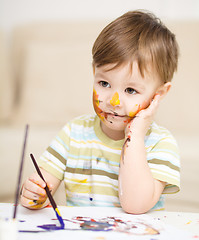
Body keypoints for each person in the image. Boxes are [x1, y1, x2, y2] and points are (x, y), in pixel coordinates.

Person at [20, 10, 180, 214]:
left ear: (159, 94)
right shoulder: (73, 133)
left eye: (131, 90)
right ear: (94, 74)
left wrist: (136, 136)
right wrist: (34, 194)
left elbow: (135, 205)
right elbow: (41, 187)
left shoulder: (161, 144)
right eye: (104, 83)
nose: (114, 101)